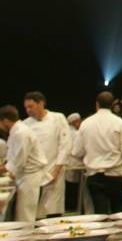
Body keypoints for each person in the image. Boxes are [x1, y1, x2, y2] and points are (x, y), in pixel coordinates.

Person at [72, 92, 122, 241]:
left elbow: (77, 152)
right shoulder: (118, 122)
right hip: (115, 175)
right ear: (112, 105)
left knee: (101, 215)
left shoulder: (86, 124)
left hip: (95, 175)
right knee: (118, 215)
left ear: (96, 104)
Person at [0, 105, 48, 222]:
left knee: (26, 216)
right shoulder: (16, 132)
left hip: (29, 177)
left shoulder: (21, 132)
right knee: (21, 214)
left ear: (5, 120)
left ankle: (27, 240)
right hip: (23, 176)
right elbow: (11, 160)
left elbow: (17, 163)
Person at [23, 91, 71, 222]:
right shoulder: (25, 124)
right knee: (35, 215)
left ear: (41, 103)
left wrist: (56, 171)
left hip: (55, 171)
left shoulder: (58, 118)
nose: (28, 110)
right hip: (33, 174)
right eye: (26, 107)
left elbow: (65, 146)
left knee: (53, 213)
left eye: (30, 106)